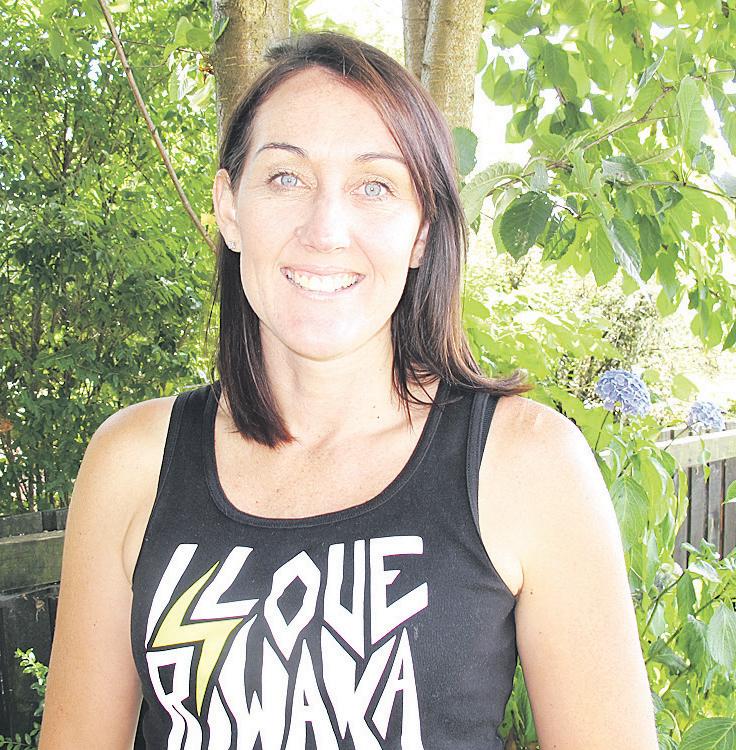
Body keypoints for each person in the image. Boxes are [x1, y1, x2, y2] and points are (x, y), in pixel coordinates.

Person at [39, 30, 658, 750]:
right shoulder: (131, 463)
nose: (325, 230)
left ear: (422, 231)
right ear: (230, 208)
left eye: (374, 186)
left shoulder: (529, 464)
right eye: (286, 178)